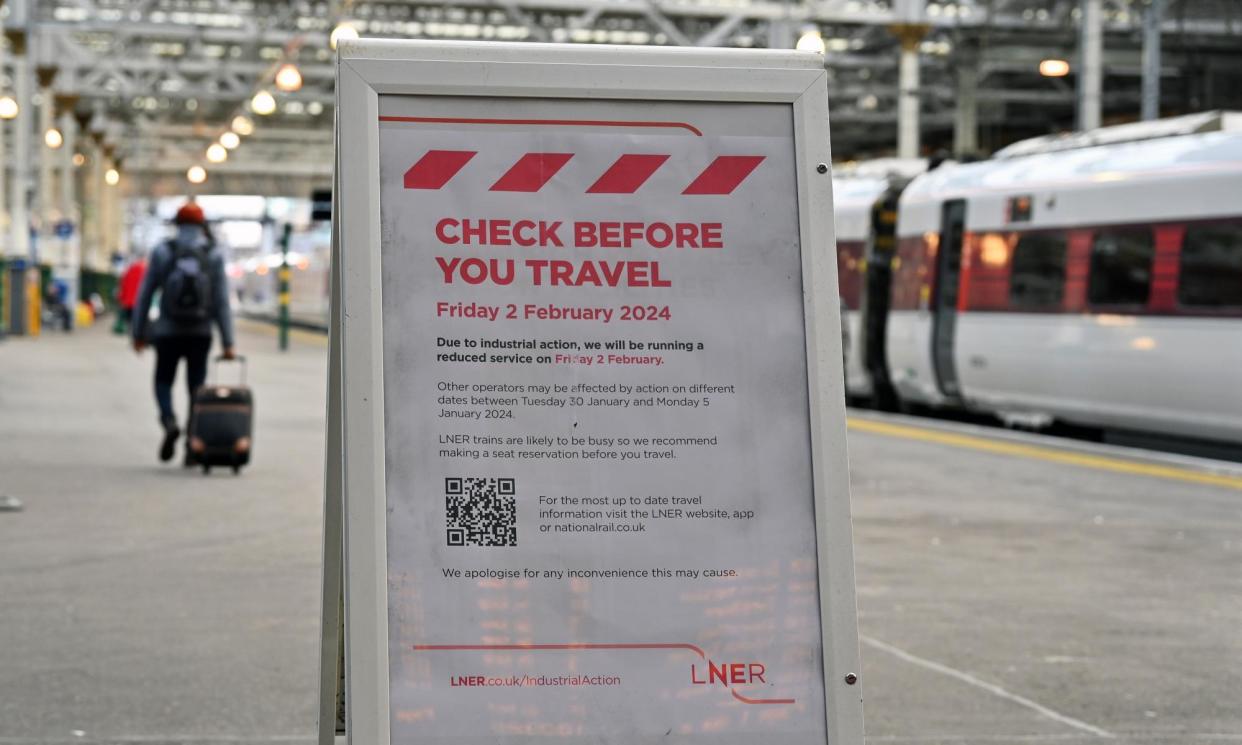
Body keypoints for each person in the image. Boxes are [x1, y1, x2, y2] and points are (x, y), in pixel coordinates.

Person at [131, 201, 237, 463]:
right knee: (196, 387)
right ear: (202, 226)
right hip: (200, 332)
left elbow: (145, 294)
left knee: (163, 380)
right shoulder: (212, 253)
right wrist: (228, 341)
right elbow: (222, 301)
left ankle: (168, 421)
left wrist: (138, 332)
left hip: (167, 330)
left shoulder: (163, 251)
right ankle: (193, 442)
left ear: (177, 224)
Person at [115, 252, 147, 334]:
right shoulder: (144, 269)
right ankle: (135, 329)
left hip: (129, 299)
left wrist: (121, 297)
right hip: (139, 298)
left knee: (129, 315)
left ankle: (130, 328)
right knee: (136, 315)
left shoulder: (129, 270)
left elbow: (123, 283)